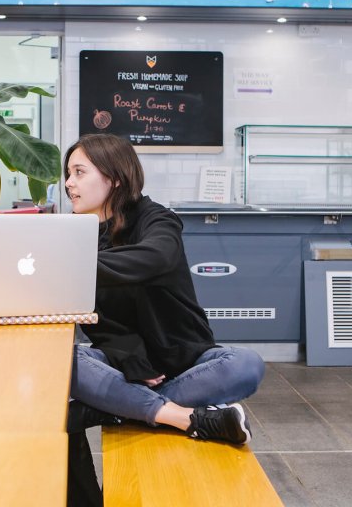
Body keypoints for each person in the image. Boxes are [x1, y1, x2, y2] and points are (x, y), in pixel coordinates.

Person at [65, 133, 265, 445]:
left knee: (246, 366)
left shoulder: (157, 218)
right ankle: (182, 417)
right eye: (68, 174)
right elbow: (100, 326)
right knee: (64, 360)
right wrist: (131, 360)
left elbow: (154, 258)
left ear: (115, 177)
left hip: (184, 361)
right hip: (126, 365)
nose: (69, 183)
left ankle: (115, 408)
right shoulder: (77, 235)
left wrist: (70, 262)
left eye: (79, 172)